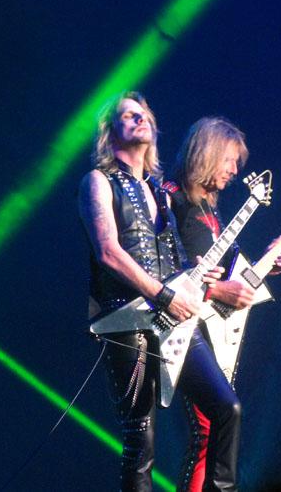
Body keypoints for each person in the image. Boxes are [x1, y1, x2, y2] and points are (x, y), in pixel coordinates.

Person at [78, 93, 242, 491]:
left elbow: (174, 259)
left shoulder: (159, 192)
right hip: (125, 318)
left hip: (173, 320)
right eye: (128, 116)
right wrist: (164, 295)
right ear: (110, 132)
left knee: (228, 408)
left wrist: (199, 276)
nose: (140, 120)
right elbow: (108, 252)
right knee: (141, 436)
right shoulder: (98, 181)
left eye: (144, 115)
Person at [163, 117, 281, 492]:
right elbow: (161, 270)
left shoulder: (210, 211)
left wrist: (270, 262)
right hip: (177, 330)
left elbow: (227, 271)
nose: (235, 171)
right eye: (230, 160)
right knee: (211, 424)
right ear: (207, 153)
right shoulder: (170, 200)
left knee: (213, 428)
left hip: (209, 331)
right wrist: (217, 291)